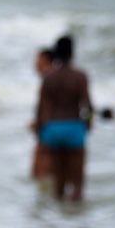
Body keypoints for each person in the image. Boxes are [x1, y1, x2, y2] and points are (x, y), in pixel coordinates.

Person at [35, 36, 94, 201]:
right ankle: (74, 214)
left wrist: (40, 130)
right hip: (74, 128)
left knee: (59, 180)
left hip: (53, 129)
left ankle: (58, 213)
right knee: (77, 182)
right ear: (72, 52)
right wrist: (88, 124)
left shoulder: (48, 77)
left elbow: (41, 108)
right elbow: (88, 106)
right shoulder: (80, 76)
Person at [29, 47, 55, 181]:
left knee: (38, 174)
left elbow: (44, 108)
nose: (35, 63)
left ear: (46, 60)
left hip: (49, 129)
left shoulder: (48, 78)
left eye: (37, 59)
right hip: (66, 127)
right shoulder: (58, 76)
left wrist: (37, 125)